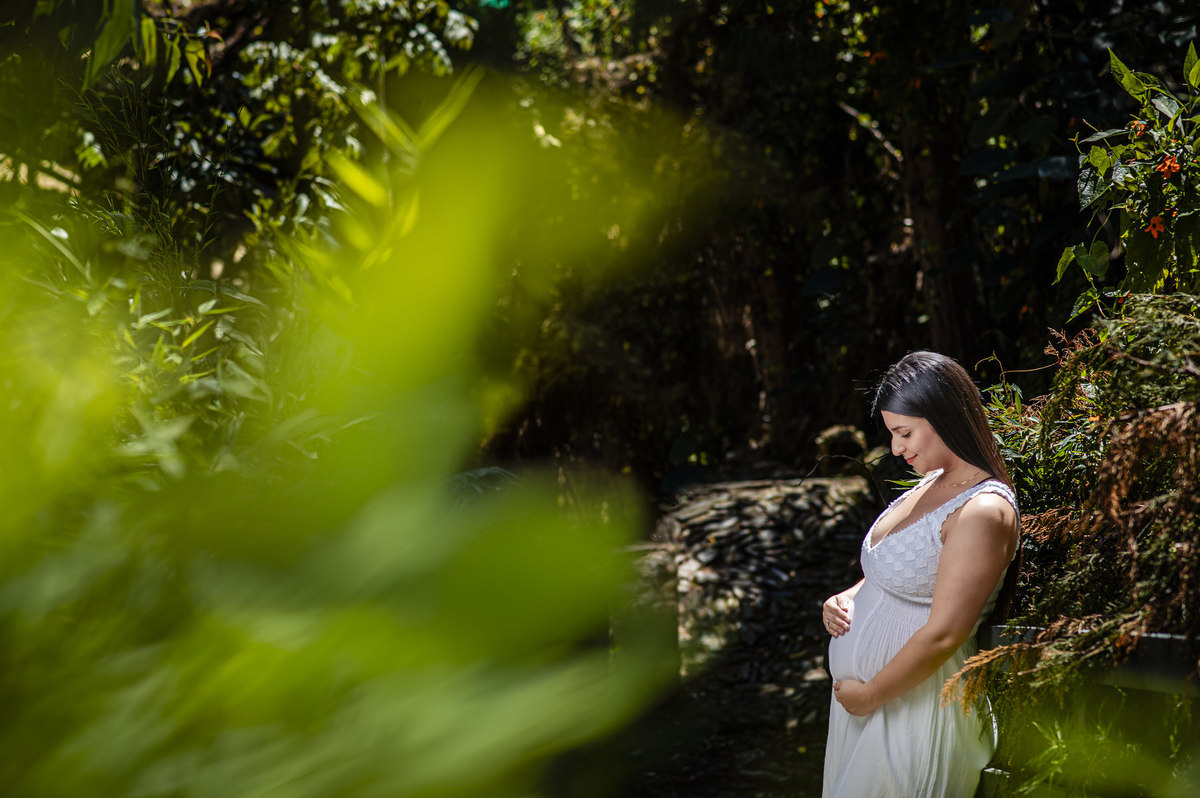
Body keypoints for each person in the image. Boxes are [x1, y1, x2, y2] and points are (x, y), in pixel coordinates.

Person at [821, 351, 1020, 797]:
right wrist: (849, 595)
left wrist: (871, 695)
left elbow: (945, 633)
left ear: (944, 416)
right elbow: (897, 570)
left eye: (904, 433)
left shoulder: (983, 510)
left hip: (916, 712)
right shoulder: (931, 483)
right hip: (871, 710)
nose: (896, 448)